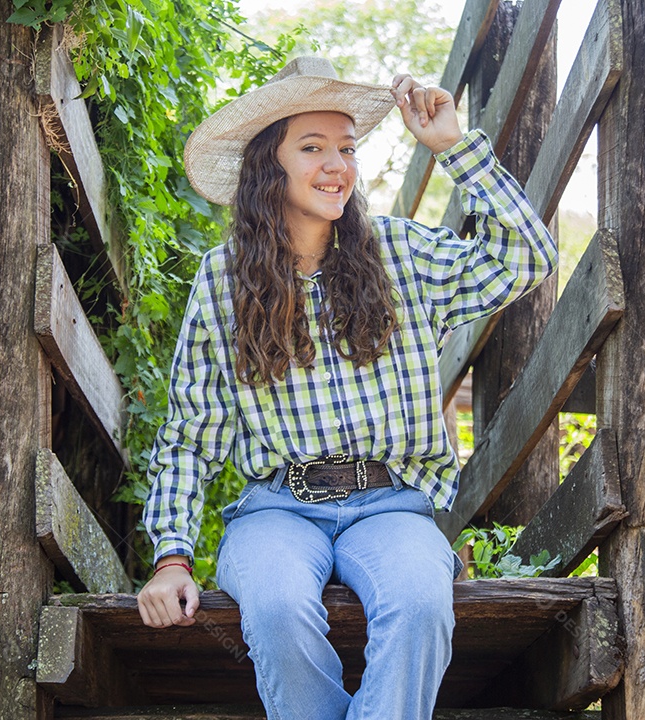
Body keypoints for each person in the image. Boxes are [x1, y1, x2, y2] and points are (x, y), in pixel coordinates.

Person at [137, 56, 557, 720]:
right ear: (267, 166)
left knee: (422, 602)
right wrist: (171, 557)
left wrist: (453, 146)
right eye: (312, 148)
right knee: (274, 607)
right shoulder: (222, 281)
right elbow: (191, 436)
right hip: (275, 509)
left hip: (390, 505)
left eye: (346, 148)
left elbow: (527, 258)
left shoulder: (401, 256)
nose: (337, 164)